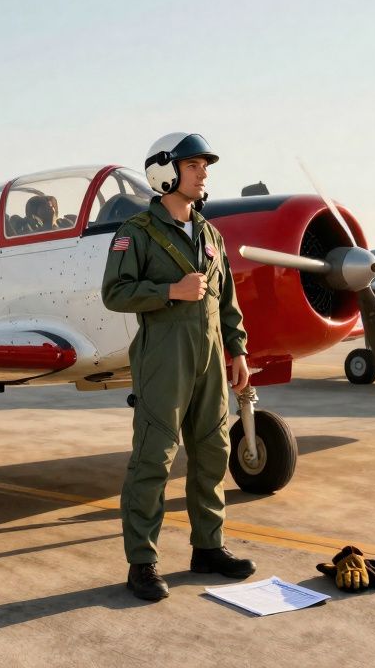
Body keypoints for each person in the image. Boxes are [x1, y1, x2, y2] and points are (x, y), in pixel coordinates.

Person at [101, 132, 254, 601]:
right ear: (166, 172)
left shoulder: (210, 234)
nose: (204, 172)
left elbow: (227, 299)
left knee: (212, 453)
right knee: (154, 459)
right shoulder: (137, 233)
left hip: (209, 358)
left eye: (205, 165)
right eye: (194, 165)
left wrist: (238, 350)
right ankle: (142, 563)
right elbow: (115, 294)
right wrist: (170, 291)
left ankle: (208, 547)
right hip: (163, 361)